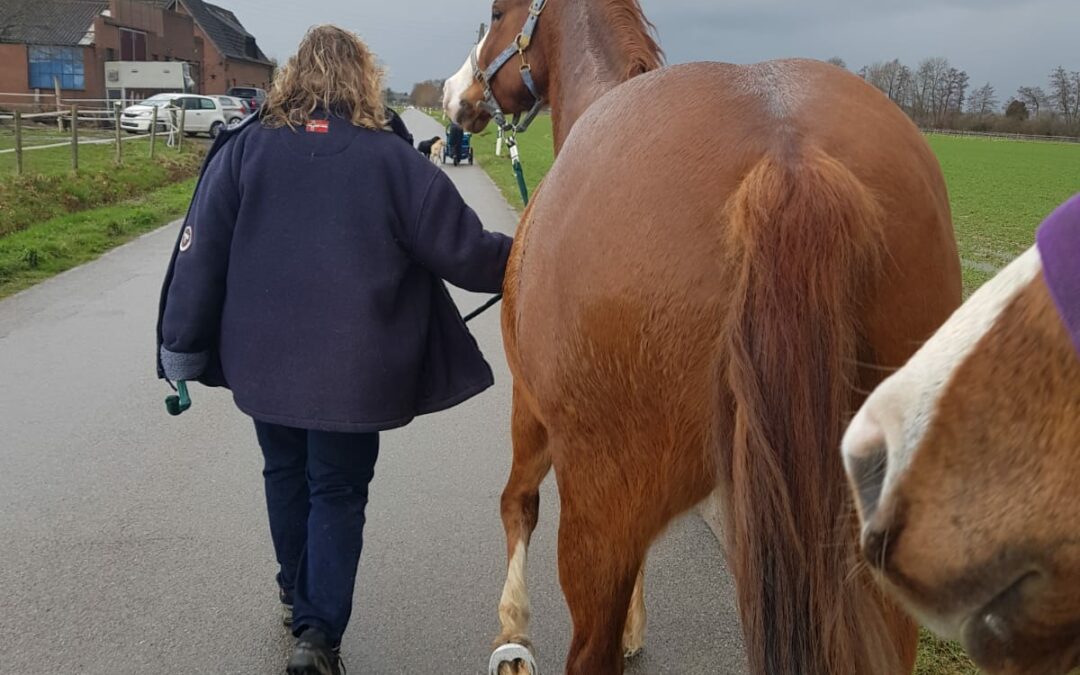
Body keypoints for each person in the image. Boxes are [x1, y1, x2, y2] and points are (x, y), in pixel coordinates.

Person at [155, 25, 511, 675]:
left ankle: (298, 596)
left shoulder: (246, 152)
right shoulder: (392, 160)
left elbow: (200, 253)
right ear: (363, 80)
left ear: (295, 77)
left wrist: (178, 351)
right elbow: (466, 251)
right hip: (356, 373)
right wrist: (539, 254)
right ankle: (317, 634)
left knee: (285, 474)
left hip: (263, 368)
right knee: (337, 489)